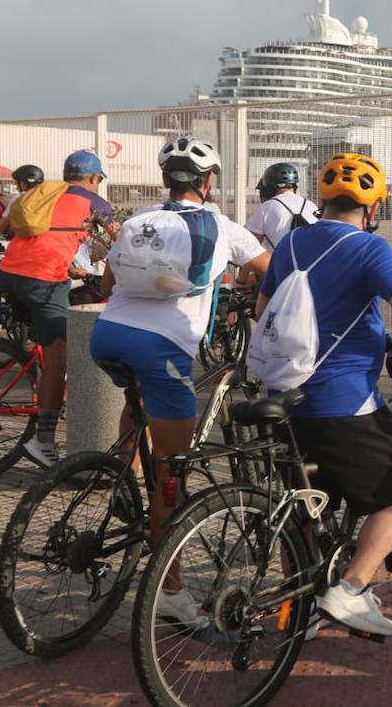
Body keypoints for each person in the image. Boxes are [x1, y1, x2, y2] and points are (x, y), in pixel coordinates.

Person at [256, 152, 392, 636]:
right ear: (373, 209)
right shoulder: (368, 247)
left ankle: (299, 609)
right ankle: (351, 589)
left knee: (307, 502)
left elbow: (264, 307)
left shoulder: (291, 244)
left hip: (284, 395)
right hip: (340, 400)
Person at [90, 136, 270, 625]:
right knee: (174, 473)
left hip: (106, 336)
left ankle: (121, 481)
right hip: (163, 348)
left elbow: (106, 286)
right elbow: (270, 273)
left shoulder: (139, 221)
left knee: (141, 404)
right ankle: (168, 589)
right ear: (208, 182)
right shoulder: (225, 227)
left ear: (166, 179)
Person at [0, 151, 114, 468]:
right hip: (43, 281)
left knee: (47, 347)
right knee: (58, 361)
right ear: (93, 179)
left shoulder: (46, 193)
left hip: (9, 272)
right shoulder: (95, 203)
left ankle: (37, 380)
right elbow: (117, 245)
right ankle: (43, 441)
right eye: (98, 180)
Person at [245, 161, 319, 250]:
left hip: (280, 263)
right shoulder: (311, 206)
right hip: (312, 262)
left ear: (269, 187)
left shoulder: (266, 207)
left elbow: (249, 247)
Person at [0, 165, 46, 236]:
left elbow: (0, 226)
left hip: (25, 243)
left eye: (17, 184)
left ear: (23, 185)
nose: (17, 188)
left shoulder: (19, 198)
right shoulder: (49, 197)